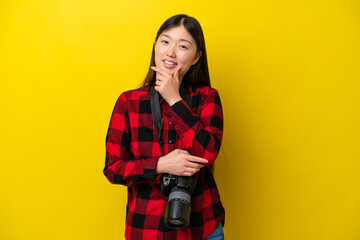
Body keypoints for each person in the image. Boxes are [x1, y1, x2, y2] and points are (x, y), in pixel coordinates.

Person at [104, 14, 225, 240]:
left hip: (201, 228)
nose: (170, 52)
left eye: (183, 46)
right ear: (155, 46)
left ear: (197, 57)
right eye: (165, 41)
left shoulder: (207, 98)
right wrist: (160, 165)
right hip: (146, 228)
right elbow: (113, 168)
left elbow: (208, 153)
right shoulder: (128, 102)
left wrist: (174, 100)